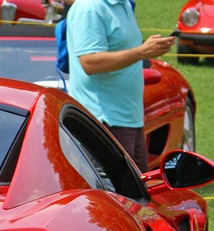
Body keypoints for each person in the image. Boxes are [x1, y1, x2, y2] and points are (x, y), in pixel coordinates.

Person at [66, 0, 174, 172]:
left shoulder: (123, 5)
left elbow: (123, 49)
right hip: (104, 121)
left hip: (129, 119)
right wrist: (142, 51)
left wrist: (147, 48)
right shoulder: (90, 8)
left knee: (137, 196)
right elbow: (90, 62)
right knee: (113, 197)